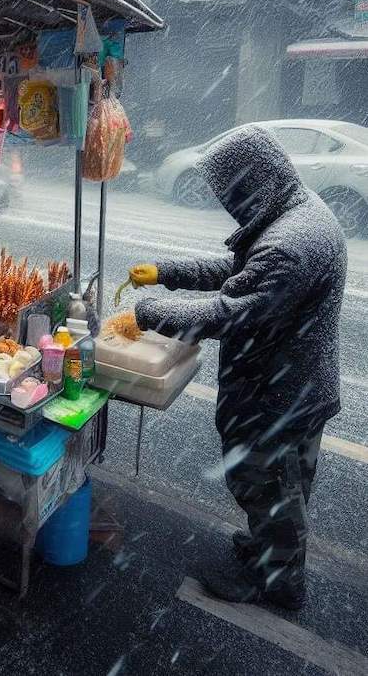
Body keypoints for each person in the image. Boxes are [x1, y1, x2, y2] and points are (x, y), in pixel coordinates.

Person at [126, 125, 346, 610]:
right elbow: (241, 270)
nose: (224, 202)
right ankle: (271, 550)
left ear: (251, 182)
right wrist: (170, 272)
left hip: (279, 393)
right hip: (300, 386)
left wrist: (150, 312)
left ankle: (277, 582)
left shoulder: (292, 242)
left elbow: (230, 311)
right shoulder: (294, 211)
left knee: (264, 479)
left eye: (227, 191)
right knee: (285, 482)